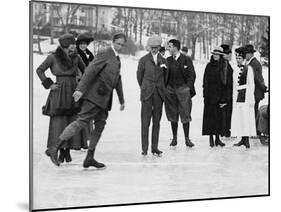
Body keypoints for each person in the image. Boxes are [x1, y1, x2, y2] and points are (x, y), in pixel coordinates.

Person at [46, 33, 127, 168]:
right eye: (118, 43)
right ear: (113, 42)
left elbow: (117, 79)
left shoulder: (117, 59)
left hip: (105, 99)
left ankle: (89, 157)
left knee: (100, 125)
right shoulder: (104, 53)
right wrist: (80, 90)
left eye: (122, 45)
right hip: (94, 97)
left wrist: (122, 99)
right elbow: (90, 71)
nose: (120, 46)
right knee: (82, 121)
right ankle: (55, 148)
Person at [36, 33, 86, 163]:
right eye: (71, 44)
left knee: (71, 120)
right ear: (65, 44)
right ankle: (56, 149)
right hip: (58, 92)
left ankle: (66, 151)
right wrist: (49, 84)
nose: (74, 47)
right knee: (59, 121)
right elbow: (39, 70)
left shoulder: (77, 58)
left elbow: (86, 71)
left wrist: (80, 84)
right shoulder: (53, 57)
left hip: (73, 91)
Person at [137, 35, 168, 156]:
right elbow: (139, 76)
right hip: (147, 94)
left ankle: (155, 147)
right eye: (152, 47)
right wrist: (145, 87)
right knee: (145, 121)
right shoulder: (143, 60)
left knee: (157, 122)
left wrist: (160, 88)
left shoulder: (164, 61)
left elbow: (166, 77)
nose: (154, 49)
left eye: (156, 47)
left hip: (159, 94)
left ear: (160, 47)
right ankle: (144, 148)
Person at [165, 39, 196, 147]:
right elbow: (164, 75)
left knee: (185, 114)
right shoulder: (167, 60)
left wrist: (188, 88)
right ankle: (174, 138)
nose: (168, 48)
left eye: (170, 46)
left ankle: (187, 139)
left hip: (183, 90)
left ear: (176, 47)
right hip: (170, 90)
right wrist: (166, 88)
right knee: (172, 114)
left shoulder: (186, 59)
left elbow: (192, 75)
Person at [202, 46, 230, 147]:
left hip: (220, 96)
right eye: (214, 54)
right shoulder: (209, 66)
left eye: (217, 55)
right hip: (210, 96)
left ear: (221, 56)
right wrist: (205, 94)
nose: (215, 56)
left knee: (219, 118)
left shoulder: (224, 66)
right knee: (210, 117)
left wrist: (224, 98)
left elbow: (227, 84)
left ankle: (218, 138)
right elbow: (205, 81)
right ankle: (211, 137)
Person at [231, 47, 256, 148]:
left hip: (246, 96)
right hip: (237, 95)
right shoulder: (235, 69)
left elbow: (252, 84)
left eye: (240, 58)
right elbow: (234, 84)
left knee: (246, 117)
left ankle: (246, 140)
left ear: (244, 59)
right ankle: (242, 138)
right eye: (236, 58)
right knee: (239, 118)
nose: (238, 60)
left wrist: (251, 98)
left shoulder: (248, 68)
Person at [244, 44, 267, 131]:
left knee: (253, 110)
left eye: (246, 54)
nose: (244, 55)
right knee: (254, 110)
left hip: (255, 92)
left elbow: (257, 78)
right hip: (256, 91)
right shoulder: (252, 62)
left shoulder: (253, 64)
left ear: (250, 54)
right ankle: (254, 129)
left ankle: (254, 130)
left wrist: (263, 87)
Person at [220, 44, 234, 137]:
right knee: (225, 112)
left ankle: (225, 129)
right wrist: (226, 96)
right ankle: (224, 130)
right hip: (225, 93)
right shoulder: (224, 64)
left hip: (226, 93)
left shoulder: (225, 63)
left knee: (225, 112)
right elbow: (224, 81)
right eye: (228, 54)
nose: (230, 56)